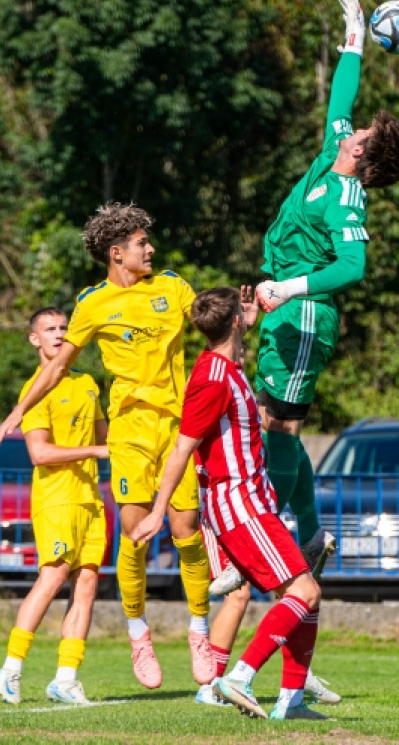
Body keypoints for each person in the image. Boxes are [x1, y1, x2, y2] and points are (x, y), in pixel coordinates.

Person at [0, 203, 214, 691]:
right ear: (117, 253)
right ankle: (139, 633)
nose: (150, 249)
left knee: (187, 531)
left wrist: (239, 312)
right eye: (141, 243)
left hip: (178, 429)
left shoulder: (172, 287)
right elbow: (53, 368)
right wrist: (16, 410)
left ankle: (200, 630)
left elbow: (209, 322)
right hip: (129, 433)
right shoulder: (92, 303)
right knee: (135, 537)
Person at [244, 0, 399, 582]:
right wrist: (354, 36)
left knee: (277, 425)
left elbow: (353, 268)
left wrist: (290, 289)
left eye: (361, 135)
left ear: (363, 157)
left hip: (305, 312)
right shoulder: (330, 156)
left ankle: (268, 534)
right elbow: (340, 96)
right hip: (283, 307)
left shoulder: (349, 199)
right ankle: (310, 532)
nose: (352, 131)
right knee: (274, 424)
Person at [133, 286, 327, 721]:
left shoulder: (224, 363)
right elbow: (182, 450)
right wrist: (159, 511)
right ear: (234, 322)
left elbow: (232, 357)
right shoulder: (211, 378)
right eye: (240, 315)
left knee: (305, 597)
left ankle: (291, 701)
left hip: (251, 501)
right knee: (305, 590)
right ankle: (237, 677)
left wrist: (246, 325)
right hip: (238, 502)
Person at [0, 307, 110, 706]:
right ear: (34, 339)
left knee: (88, 583)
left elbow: (106, 437)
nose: (59, 335)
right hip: (56, 498)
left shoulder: (89, 382)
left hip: (91, 499)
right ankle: (10, 668)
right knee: (54, 575)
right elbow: (39, 453)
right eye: (50, 329)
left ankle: (66, 678)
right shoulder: (34, 391)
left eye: (64, 328)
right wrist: (98, 449)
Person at [195, 523, 341, 708]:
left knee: (300, 590)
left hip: (255, 520)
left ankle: (296, 685)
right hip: (231, 520)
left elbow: (301, 500)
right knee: (239, 595)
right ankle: (213, 684)